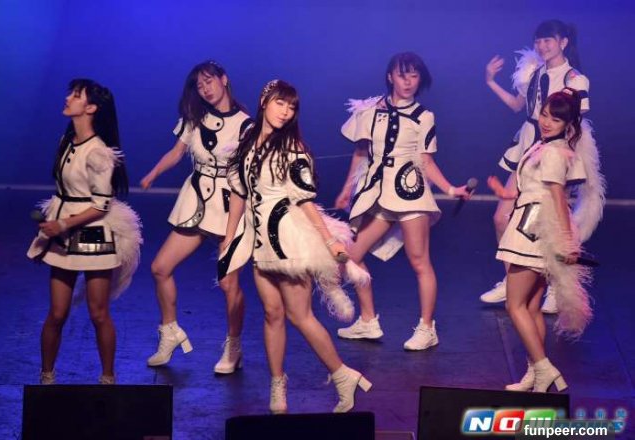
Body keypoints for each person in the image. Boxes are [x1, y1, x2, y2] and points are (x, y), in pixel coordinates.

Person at [219, 79, 371, 414]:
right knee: (272, 313)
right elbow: (238, 194)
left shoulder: (293, 150)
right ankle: (278, 383)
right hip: (260, 244)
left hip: (289, 243)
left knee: (299, 316)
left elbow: (305, 201)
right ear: (264, 102)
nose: (285, 112)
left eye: (291, 107)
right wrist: (228, 239)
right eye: (280, 103)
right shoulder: (247, 142)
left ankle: (342, 374)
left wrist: (329, 239)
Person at [333, 52, 471, 350]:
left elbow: (426, 161)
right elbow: (360, 153)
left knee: (419, 261)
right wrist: (347, 189)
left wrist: (450, 189)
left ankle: (427, 328)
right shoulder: (370, 111)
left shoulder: (424, 116)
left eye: (414, 76)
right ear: (390, 77)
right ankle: (368, 321)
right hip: (378, 195)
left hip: (410, 194)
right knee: (350, 255)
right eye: (402, 75)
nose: (408, 82)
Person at [481, 19, 602, 313]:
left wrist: (561, 156)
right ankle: (511, 280)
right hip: (527, 147)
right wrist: (490, 81)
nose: (542, 45)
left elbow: (574, 121)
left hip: (555, 153)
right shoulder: (534, 72)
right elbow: (517, 105)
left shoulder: (575, 79)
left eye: (548, 40)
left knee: (554, 220)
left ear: (563, 43)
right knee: (501, 218)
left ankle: (556, 285)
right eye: (538, 41)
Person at [28, 79, 142, 385]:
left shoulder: (98, 153)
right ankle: (46, 378)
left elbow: (101, 206)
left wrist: (63, 224)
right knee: (57, 313)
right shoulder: (66, 142)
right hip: (63, 235)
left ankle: (108, 378)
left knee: (98, 313)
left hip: (92, 235)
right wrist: (53, 227)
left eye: (76, 95)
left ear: (90, 108)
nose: (68, 98)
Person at [141, 61, 252, 374]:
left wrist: (231, 231)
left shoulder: (246, 125)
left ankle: (233, 345)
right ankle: (170, 332)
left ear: (224, 80)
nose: (205, 89)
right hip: (196, 201)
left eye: (209, 81)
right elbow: (177, 152)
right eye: (200, 86)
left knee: (229, 283)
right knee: (160, 267)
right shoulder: (195, 117)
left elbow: (247, 176)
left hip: (231, 206)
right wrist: (153, 173)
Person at [489, 89, 601, 392]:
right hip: (534, 227)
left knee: (515, 305)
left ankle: (544, 368)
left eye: (556, 119)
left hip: (532, 231)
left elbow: (557, 198)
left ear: (568, 124)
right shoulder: (546, 146)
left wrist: (567, 241)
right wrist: (505, 193)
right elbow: (534, 190)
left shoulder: (553, 152)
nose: (547, 122)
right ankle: (535, 372)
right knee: (531, 307)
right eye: (544, 114)